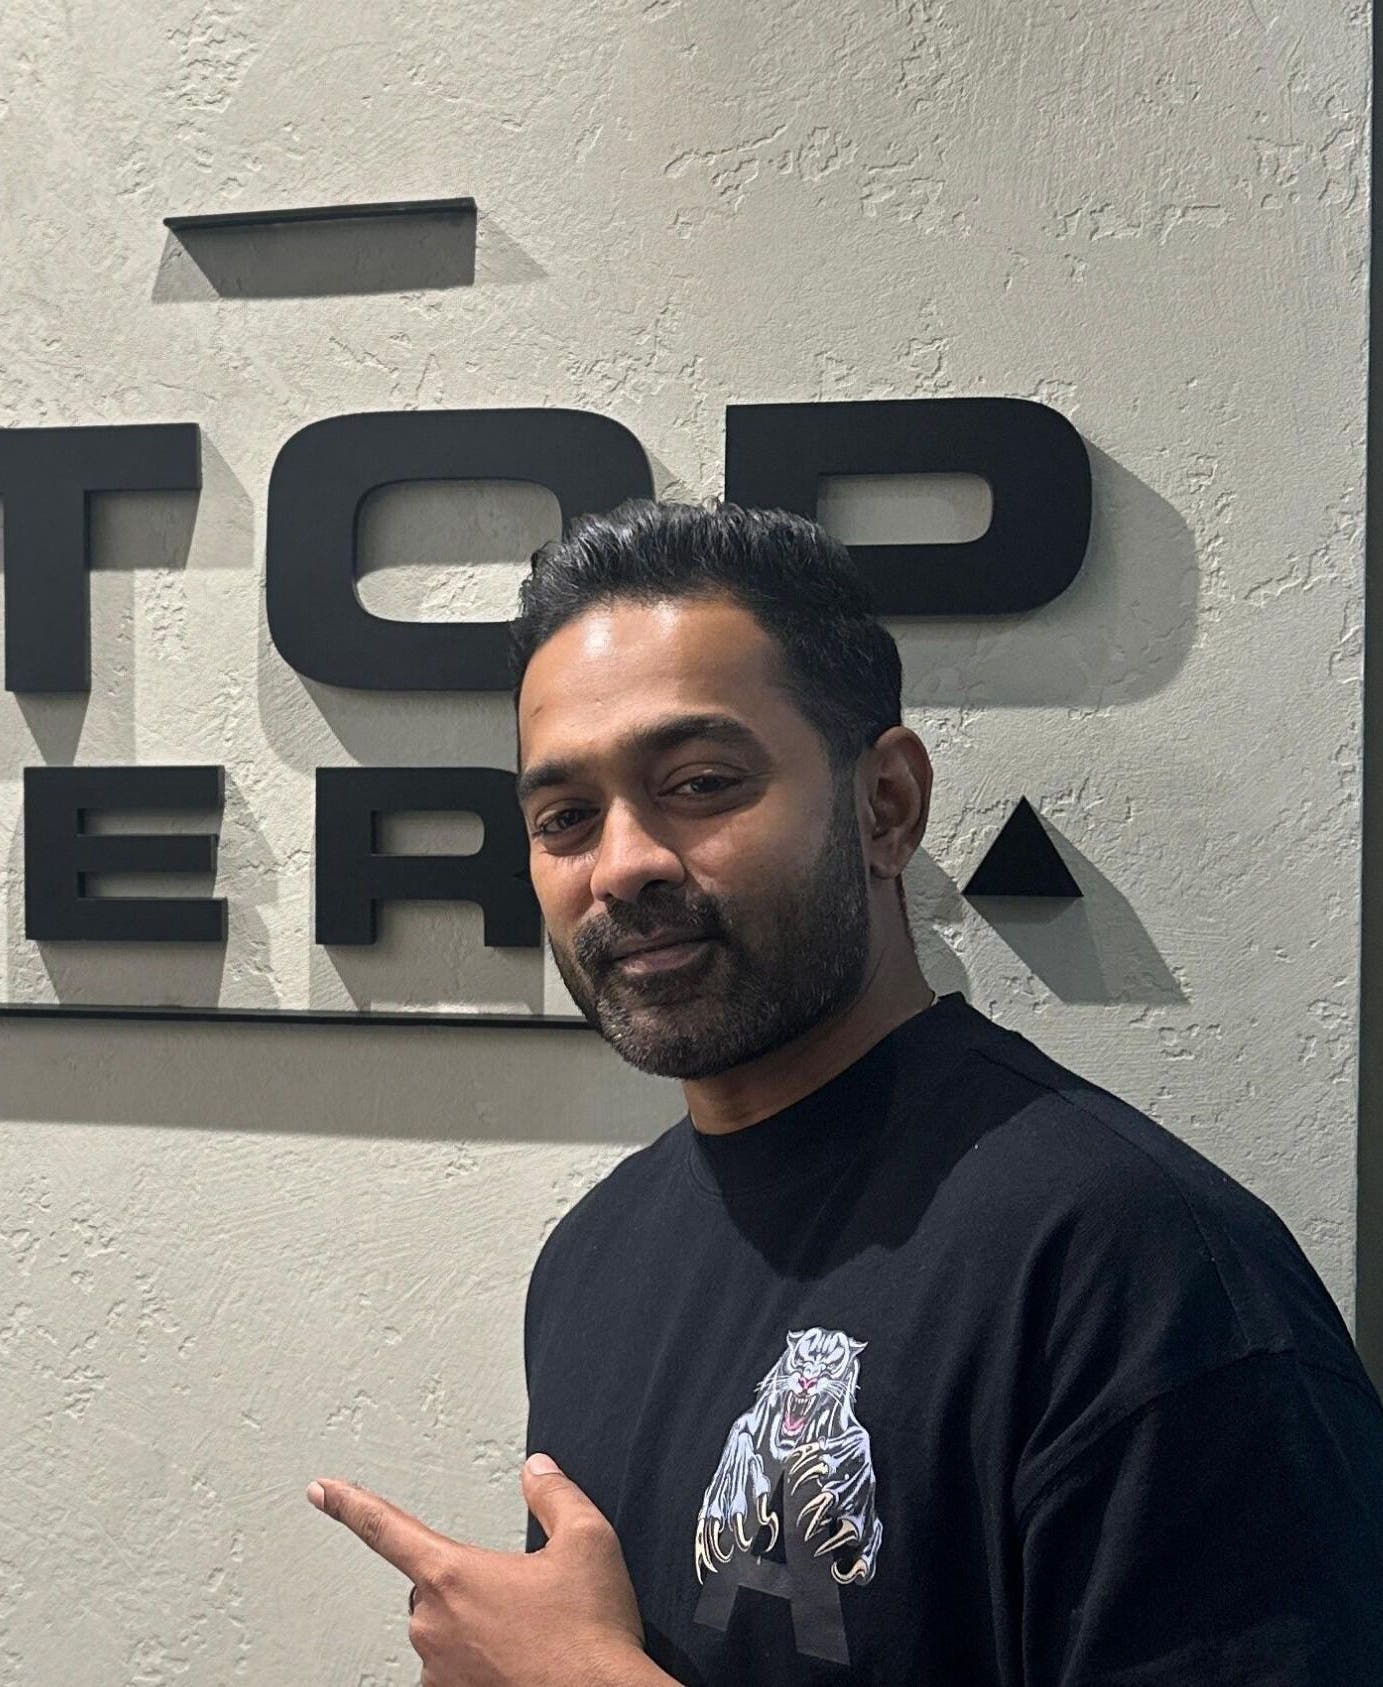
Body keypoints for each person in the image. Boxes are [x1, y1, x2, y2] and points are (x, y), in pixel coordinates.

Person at [302, 499, 1383, 1684]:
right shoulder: (593, 1258)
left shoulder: (1138, 1270)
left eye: (701, 783)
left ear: (885, 806)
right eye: (565, 817)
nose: (621, 864)